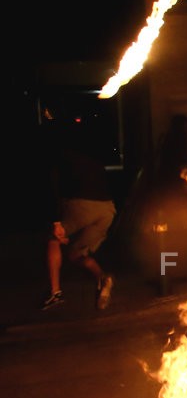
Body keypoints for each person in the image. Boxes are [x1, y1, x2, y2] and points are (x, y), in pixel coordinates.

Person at [41, 105, 117, 311]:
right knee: (76, 254)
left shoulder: (60, 156)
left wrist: (57, 223)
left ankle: (55, 293)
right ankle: (103, 278)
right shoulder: (91, 156)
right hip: (107, 209)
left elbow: (53, 188)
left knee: (52, 239)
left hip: (83, 205)